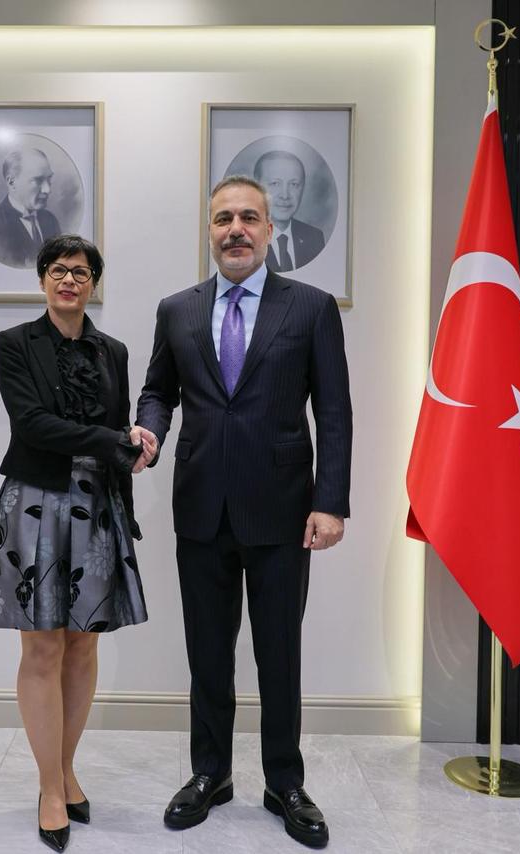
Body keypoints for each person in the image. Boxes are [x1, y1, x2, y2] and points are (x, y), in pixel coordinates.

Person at [133, 175, 351, 849]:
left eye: (248, 217)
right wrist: (149, 431)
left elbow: (335, 412)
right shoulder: (178, 309)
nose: (236, 229)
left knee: (278, 654)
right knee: (208, 654)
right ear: (209, 230)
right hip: (200, 508)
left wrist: (331, 502)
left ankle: (284, 781)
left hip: (286, 514)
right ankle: (210, 774)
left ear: (268, 229)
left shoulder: (311, 308)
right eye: (223, 218)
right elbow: (157, 390)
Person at [0, 234, 152, 852]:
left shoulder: (114, 351)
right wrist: (111, 441)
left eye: (81, 272)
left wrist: (133, 460)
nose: (69, 280)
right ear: (43, 280)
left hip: (97, 505)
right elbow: (32, 424)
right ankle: (48, 787)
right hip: (36, 503)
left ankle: (67, 769)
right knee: (42, 648)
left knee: (83, 648)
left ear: (94, 283)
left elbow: (121, 425)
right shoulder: (15, 343)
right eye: (58, 270)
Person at [0, 148, 63, 268]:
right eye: (38, 180)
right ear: (11, 182)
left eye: (49, 179)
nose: (47, 189)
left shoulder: (50, 220)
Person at [253, 150, 326, 271]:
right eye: (275, 183)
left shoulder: (314, 237)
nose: (285, 195)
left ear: (302, 188)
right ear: (256, 187)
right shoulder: (247, 239)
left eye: (294, 184)